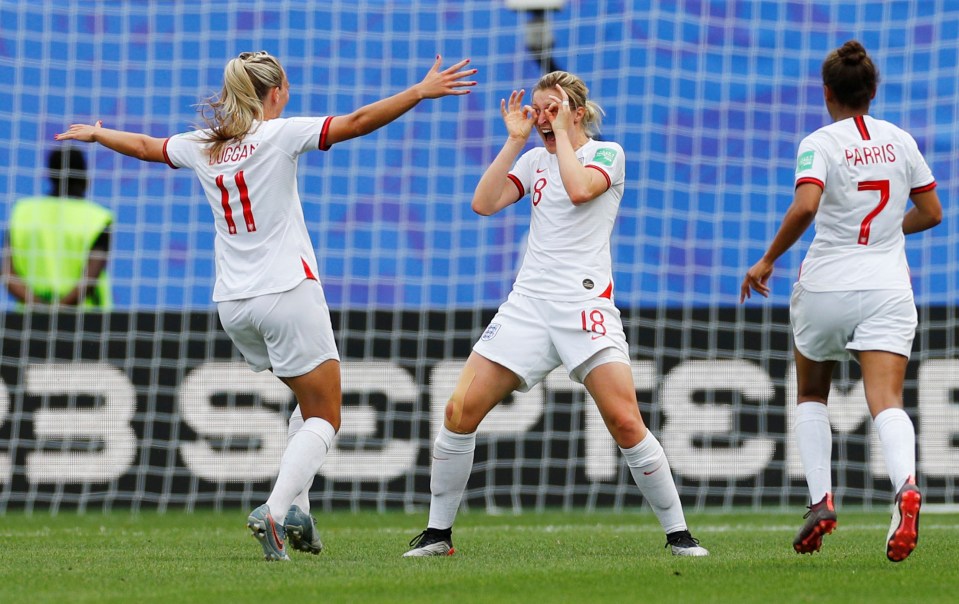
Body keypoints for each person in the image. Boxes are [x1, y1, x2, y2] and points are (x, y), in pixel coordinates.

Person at [56, 50, 477, 561]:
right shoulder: (278, 135)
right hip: (287, 292)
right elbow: (359, 121)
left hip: (234, 303)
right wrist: (418, 91)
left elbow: (147, 147)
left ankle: (299, 511)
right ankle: (275, 511)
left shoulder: (203, 146)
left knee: (305, 402)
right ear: (275, 92)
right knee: (327, 415)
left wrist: (101, 135)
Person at [404, 71, 709, 558]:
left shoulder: (606, 154)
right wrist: (513, 141)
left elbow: (581, 189)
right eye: (539, 110)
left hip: (584, 305)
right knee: (459, 411)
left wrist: (563, 135)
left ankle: (680, 536)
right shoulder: (533, 160)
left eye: (554, 109)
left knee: (626, 421)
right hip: (527, 305)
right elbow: (482, 203)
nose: (543, 118)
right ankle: (438, 535)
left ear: (578, 113)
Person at [740, 40, 941, 562]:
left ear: (826, 92)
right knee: (887, 399)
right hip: (887, 287)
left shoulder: (819, 142)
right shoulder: (901, 140)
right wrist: (884, 234)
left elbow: (806, 205)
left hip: (826, 284)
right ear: (873, 91)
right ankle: (906, 488)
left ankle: (820, 502)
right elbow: (933, 211)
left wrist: (767, 260)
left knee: (811, 393)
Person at [3, 147, 113, 308]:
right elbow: (90, 279)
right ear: (84, 176)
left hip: (29, 322)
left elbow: (7, 273)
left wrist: (39, 307)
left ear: (50, 175)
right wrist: (58, 310)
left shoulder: (22, 212)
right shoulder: (97, 218)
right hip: (86, 322)